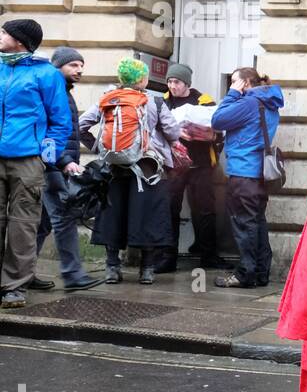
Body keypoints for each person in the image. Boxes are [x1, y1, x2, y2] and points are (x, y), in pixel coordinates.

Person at [79, 58, 181, 284]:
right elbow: (173, 133)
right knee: (148, 217)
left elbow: (81, 125)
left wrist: (98, 148)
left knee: (112, 216)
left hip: (113, 169)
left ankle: (112, 268)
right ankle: (147, 270)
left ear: (121, 79)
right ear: (143, 79)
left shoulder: (107, 99)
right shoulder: (154, 102)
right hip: (147, 170)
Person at [0, 19, 76, 309]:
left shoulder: (45, 74)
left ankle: (14, 287)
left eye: (5, 32)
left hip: (28, 160)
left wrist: (45, 158)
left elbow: (60, 122)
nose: (0, 35)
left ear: (20, 40)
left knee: (22, 225)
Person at [34, 47, 102, 292]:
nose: (80, 70)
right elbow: (46, 132)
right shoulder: (51, 92)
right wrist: (63, 161)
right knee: (64, 218)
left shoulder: (64, 92)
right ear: (57, 66)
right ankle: (73, 274)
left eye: (81, 65)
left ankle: (22, 272)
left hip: (53, 167)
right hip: (50, 168)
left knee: (42, 224)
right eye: (73, 65)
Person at [210, 67, 283, 289]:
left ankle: (245, 274)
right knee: (257, 223)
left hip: (243, 173)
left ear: (245, 83)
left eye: (234, 82)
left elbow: (217, 120)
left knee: (244, 226)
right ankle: (260, 273)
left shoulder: (249, 102)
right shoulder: (269, 102)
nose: (232, 85)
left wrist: (232, 94)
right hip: (258, 174)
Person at [159, 62, 222, 272]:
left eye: (176, 81)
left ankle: (209, 256)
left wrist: (200, 133)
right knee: (170, 209)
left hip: (201, 163)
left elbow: (218, 129)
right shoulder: (163, 102)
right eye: (169, 81)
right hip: (174, 165)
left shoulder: (203, 100)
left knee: (205, 210)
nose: (172, 85)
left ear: (186, 83)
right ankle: (168, 258)